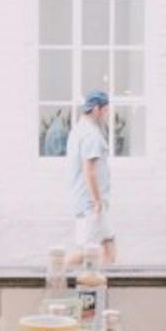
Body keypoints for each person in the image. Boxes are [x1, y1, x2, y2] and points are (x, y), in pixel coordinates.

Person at [66, 89, 115, 265]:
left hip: (92, 201)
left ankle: (105, 284)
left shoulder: (79, 130)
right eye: (106, 110)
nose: (107, 114)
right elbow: (90, 170)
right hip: (91, 203)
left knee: (109, 245)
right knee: (86, 251)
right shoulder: (91, 135)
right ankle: (53, 273)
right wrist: (97, 200)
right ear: (96, 109)